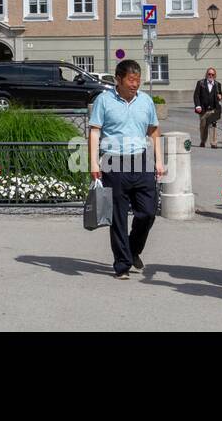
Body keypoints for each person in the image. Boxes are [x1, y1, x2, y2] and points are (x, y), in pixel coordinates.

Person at [88, 59, 163, 279]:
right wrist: (93, 162)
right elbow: (94, 132)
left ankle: (133, 249)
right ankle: (122, 264)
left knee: (148, 212)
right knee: (118, 216)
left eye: (138, 80)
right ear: (118, 79)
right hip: (113, 162)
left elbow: (153, 131)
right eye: (130, 80)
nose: (134, 84)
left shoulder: (146, 101)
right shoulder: (104, 100)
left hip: (141, 161)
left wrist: (159, 160)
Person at [193, 68, 222, 148]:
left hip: (213, 109)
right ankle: (203, 141)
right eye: (209, 74)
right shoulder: (201, 83)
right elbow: (196, 95)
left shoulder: (217, 84)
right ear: (206, 74)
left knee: (213, 125)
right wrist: (198, 105)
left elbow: (220, 94)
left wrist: (220, 96)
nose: (210, 76)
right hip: (203, 109)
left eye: (212, 74)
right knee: (203, 126)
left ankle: (213, 143)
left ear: (215, 75)